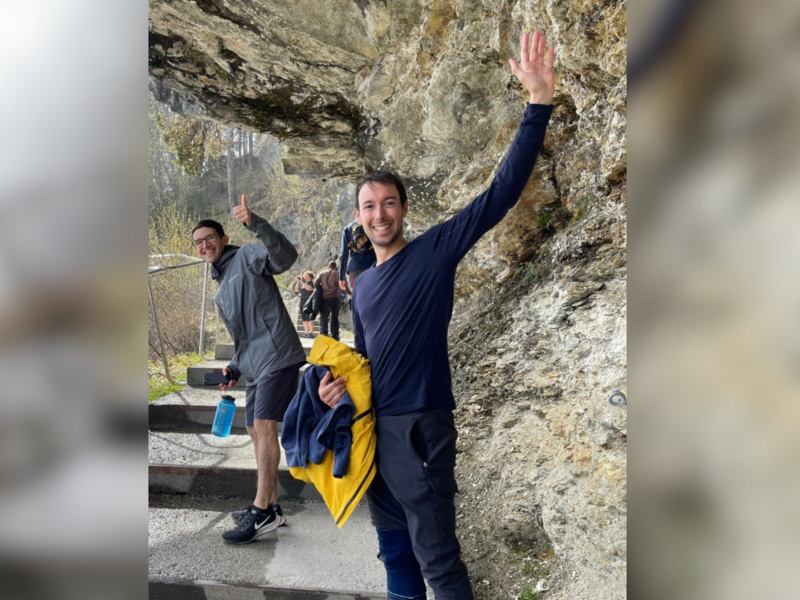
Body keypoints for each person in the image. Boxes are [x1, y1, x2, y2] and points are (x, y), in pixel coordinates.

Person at [318, 30, 556, 600]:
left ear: (403, 209)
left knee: (439, 563)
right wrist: (338, 388)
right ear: (358, 217)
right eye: (370, 207)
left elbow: (497, 195)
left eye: (389, 203)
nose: (380, 214)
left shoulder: (433, 253)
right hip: (375, 427)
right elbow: (368, 356)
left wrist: (538, 105)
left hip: (421, 427)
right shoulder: (364, 281)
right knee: (394, 552)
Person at [191, 193, 306, 545]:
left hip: (278, 356)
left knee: (264, 426)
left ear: (224, 239)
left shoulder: (247, 254)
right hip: (255, 364)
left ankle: (261, 510)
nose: (204, 245)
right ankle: (272, 505)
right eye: (198, 243)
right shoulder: (222, 283)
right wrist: (234, 368)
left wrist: (254, 223)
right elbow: (244, 336)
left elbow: (285, 256)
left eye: (210, 238)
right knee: (254, 429)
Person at [339, 219, 377, 292]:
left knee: (359, 298)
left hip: (354, 270)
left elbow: (344, 254)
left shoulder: (348, 229)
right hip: (372, 266)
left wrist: (341, 277)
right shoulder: (371, 225)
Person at [314, 261, 341, 341]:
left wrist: (322, 286)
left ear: (328, 267)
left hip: (324, 298)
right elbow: (342, 285)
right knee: (334, 317)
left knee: (324, 316)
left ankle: (324, 333)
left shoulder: (322, 273)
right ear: (335, 267)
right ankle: (335, 335)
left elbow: (315, 284)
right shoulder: (337, 273)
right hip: (334, 297)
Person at [294, 270, 315, 338]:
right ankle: (306, 333)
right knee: (304, 318)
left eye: (307, 276)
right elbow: (296, 290)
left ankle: (311, 333)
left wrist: (302, 282)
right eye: (305, 276)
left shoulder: (312, 283)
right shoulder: (304, 285)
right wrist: (298, 282)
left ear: (311, 277)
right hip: (302, 302)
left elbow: (309, 289)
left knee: (309, 317)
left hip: (309, 302)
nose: (305, 277)